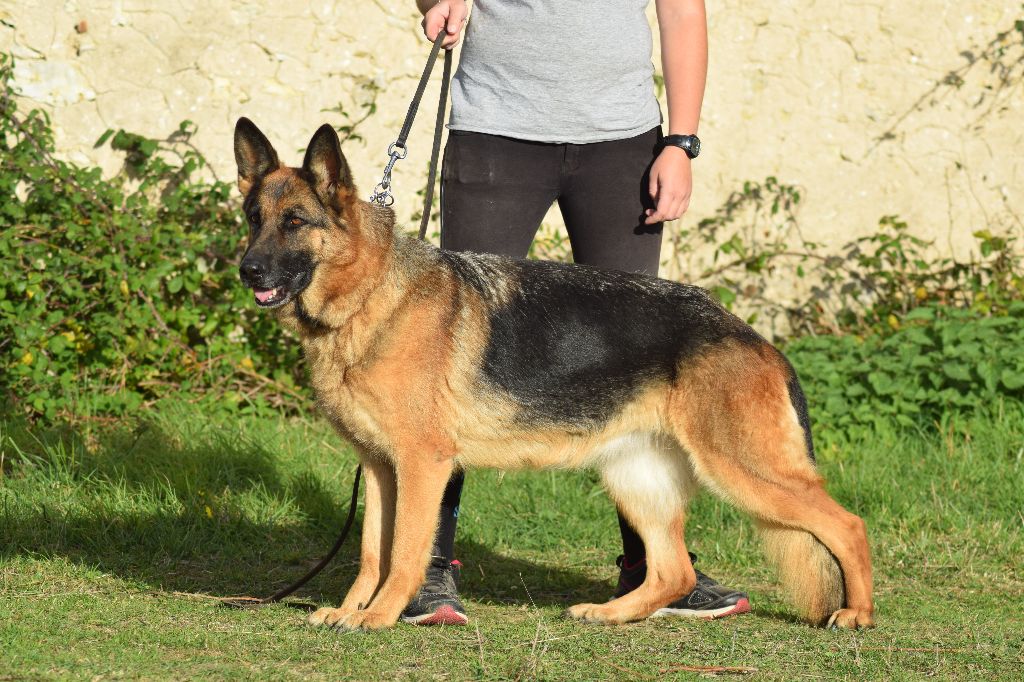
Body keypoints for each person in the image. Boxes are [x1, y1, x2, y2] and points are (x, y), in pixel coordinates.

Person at [401, 0, 750, 626]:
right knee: (447, 358)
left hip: (624, 146)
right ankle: (426, 564)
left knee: (636, 363)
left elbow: (681, 15)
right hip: (495, 135)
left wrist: (681, 142)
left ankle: (653, 566)